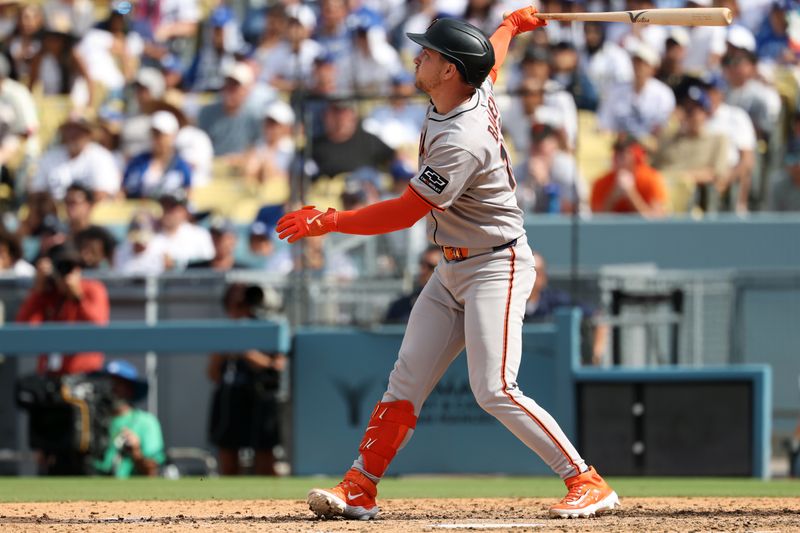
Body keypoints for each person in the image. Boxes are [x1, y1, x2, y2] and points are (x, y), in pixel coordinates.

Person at [277, 10, 618, 521]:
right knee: (405, 381)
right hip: (453, 265)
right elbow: (492, 63)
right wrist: (508, 27)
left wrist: (331, 220)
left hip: (495, 265)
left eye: (430, 54)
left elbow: (406, 211)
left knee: (495, 389)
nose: (419, 57)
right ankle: (359, 487)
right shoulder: (470, 88)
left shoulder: (463, 137)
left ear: (451, 71)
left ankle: (586, 481)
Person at [208, 283, 287, 475]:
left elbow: (278, 365)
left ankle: (268, 503)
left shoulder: (267, 326)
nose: (240, 307)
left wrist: (250, 355)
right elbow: (213, 374)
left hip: (261, 396)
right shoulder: (225, 331)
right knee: (228, 455)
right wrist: (226, 352)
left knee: (264, 454)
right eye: (234, 303)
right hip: (230, 397)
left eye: (243, 302)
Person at [16, 243, 109, 375]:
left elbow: (99, 325)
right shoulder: (46, 294)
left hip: (85, 373)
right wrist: (38, 290)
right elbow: (23, 329)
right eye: (61, 267)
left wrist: (78, 297)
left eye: (71, 267)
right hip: (51, 374)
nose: (66, 273)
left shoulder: (93, 289)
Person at [525, 252, 609, 365]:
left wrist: (596, 355)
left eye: (536, 273)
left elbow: (598, 319)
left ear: (544, 278)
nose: (530, 279)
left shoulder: (557, 301)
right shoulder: (506, 303)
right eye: (525, 273)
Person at [94, 360, 166, 478]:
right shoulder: (89, 422)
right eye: (109, 383)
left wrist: (136, 452)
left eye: (118, 383)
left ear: (130, 388)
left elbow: (152, 471)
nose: (111, 389)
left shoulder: (146, 422)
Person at [590, 133, 668, 218]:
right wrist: (612, 197)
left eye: (624, 153)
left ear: (636, 155)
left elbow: (656, 219)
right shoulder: (601, 182)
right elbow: (596, 221)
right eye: (617, 152)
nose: (618, 158)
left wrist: (631, 194)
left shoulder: (651, 178)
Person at [122, 111, 193, 199]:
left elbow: (188, 193)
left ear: (172, 136)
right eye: (154, 134)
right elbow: (124, 190)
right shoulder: (137, 162)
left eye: (161, 135)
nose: (157, 139)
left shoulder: (181, 166)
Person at [384, 245, 442, 324]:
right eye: (422, 264)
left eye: (430, 266)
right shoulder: (400, 306)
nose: (423, 271)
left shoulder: (455, 307)